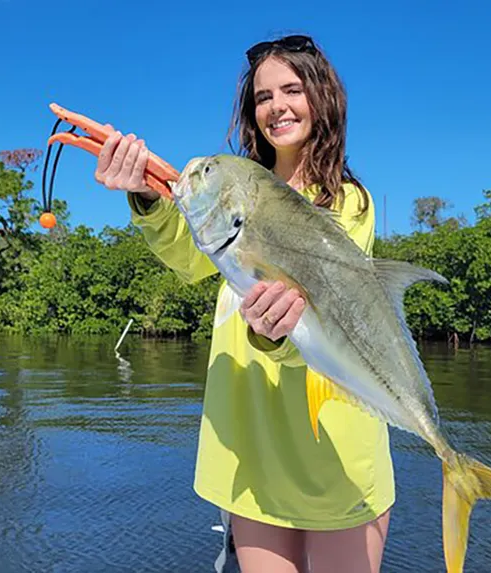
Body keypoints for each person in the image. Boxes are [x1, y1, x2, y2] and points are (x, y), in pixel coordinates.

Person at [93, 34, 394, 573]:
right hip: (250, 448)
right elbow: (189, 258)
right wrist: (143, 193)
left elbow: (324, 319)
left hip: (338, 455)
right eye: (263, 97)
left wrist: (270, 333)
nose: (277, 106)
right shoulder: (233, 190)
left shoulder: (350, 204)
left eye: (292, 90)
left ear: (323, 97)